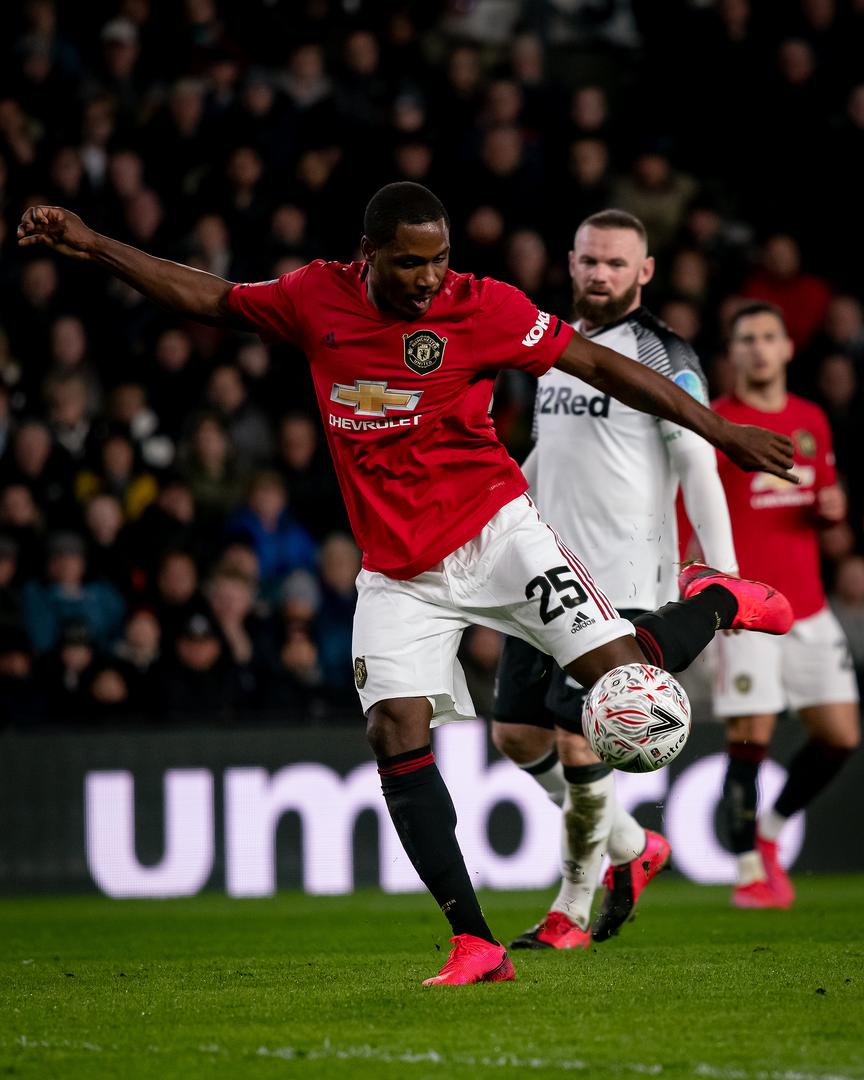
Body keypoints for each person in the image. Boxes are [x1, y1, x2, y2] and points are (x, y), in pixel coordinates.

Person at [17, 183, 795, 987]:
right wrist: (95, 244)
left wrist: (720, 430)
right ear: (369, 255)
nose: (428, 279)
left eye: (440, 260)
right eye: (409, 262)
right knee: (394, 729)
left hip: (498, 535)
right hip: (398, 571)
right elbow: (213, 299)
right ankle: (475, 941)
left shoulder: (482, 306)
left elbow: (597, 361)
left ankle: (719, 599)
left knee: (627, 681)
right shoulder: (315, 297)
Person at [491, 209, 739, 950]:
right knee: (515, 734)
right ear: (571, 262)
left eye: (616, 263)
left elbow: (698, 461)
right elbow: (548, 455)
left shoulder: (663, 352)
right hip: (545, 572)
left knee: (581, 744)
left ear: (645, 271)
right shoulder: (553, 347)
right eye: (590, 260)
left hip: (623, 583)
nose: (600, 274)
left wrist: (724, 583)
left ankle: (570, 909)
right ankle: (634, 846)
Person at [706, 302, 860, 908]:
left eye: (770, 337)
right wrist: (706, 582)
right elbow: (691, 504)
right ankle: (748, 871)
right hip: (747, 609)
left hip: (810, 607)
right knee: (751, 733)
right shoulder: (718, 420)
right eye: (747, 338)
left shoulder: (810, 418)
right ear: (733, 352)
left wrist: (832, 510)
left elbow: (822, 500)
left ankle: (770, 832)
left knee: (840, 735)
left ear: (789, 348)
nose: (760, 348)